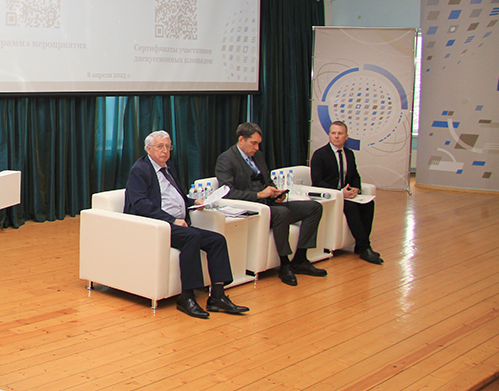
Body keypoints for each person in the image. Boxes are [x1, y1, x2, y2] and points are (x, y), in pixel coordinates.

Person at [124, 130, 249, 319]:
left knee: (217, 240)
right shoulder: (140, 170)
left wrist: (193, 202)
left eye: (168, 146)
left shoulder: (169, 167)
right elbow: (140, 204)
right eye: (160, 146)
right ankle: (187, 296)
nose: (165, 151)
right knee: (192, 237)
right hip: (156, 225)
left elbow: (178, 195)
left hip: (178, 224)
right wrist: (171, 220)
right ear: (148, 149)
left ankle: (217, 296)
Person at [215, 122, 326, 287]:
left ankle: (300, 258)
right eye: (253, 143)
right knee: (282, 213)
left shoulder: (258, 156)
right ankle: (285, 264)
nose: (256, 148)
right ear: (241, 140)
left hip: (269, 204)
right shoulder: (226, 159)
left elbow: (267, 182)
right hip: (252, 209)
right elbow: (227, 192)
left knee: (314, 207)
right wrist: (259, 195)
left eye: (258, 144)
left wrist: (276, 194)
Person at [310, 121, 382, 265]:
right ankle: (365, 247)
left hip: (346, 194)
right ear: (329, 135)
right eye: (333, 133)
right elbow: (317, 181)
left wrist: (356, 188)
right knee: (350, 206)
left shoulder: (349, 154)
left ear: (346, 136)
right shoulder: (320, 155)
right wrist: (339, 192)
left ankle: (360, 246)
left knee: (369, 204)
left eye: (340, 134)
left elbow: (354, 175)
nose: (336, 136)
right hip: (331, 196)